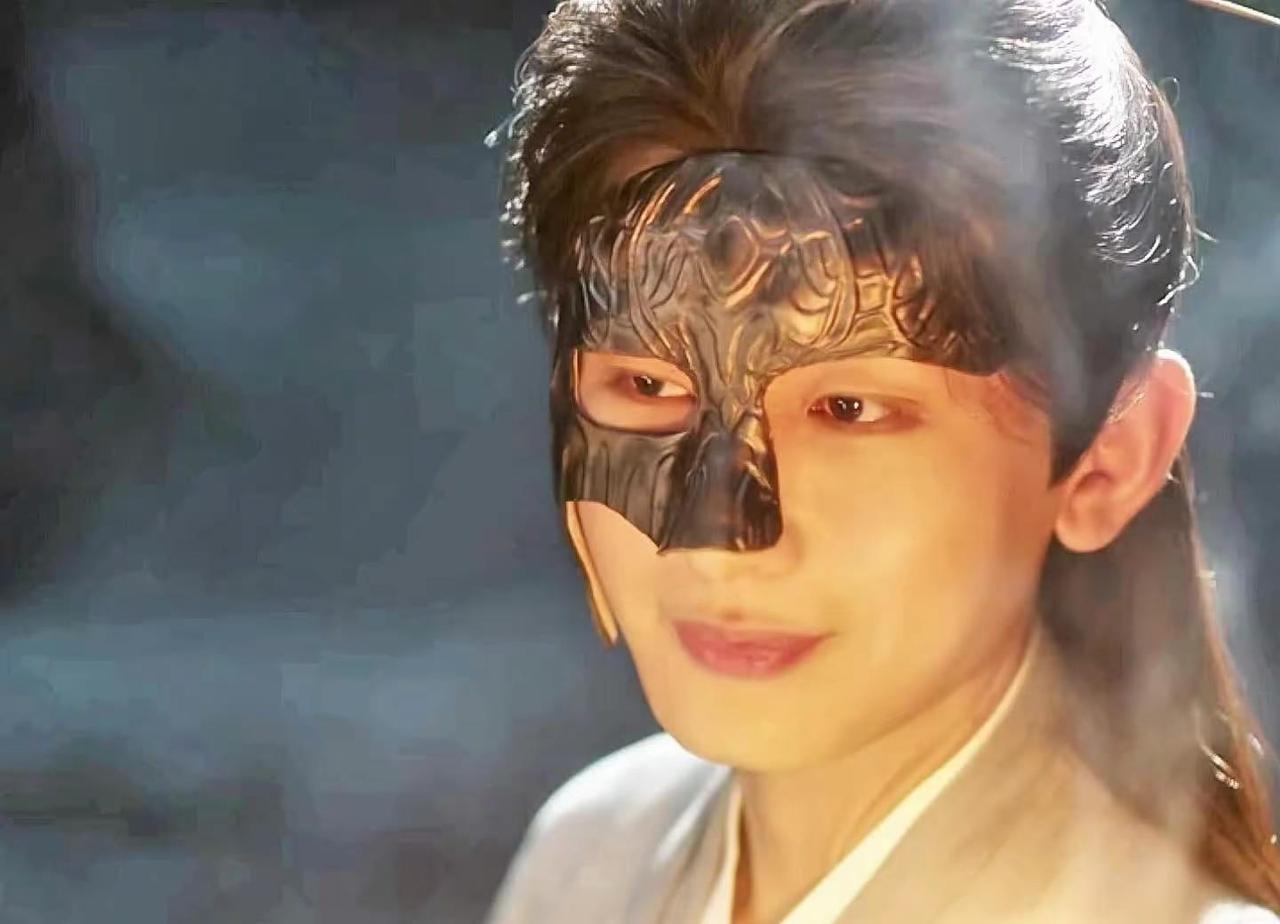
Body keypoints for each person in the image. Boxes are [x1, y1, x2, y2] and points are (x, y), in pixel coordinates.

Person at [485, 0, 1280, 920]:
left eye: (849, 409)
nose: (718, 530)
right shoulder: (590, 858)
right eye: (648, 386)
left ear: (1113, 454)